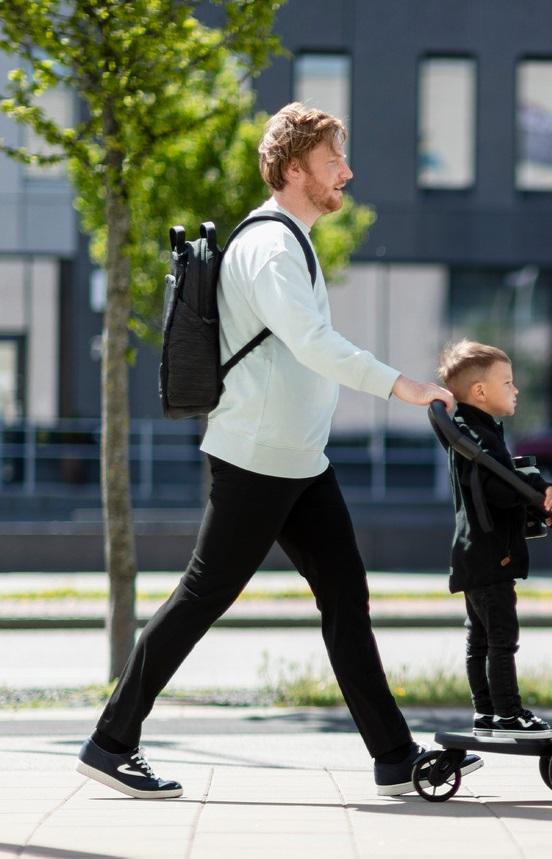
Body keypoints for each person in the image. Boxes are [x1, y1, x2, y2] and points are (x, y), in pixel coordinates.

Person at [76, 103, 482, 800]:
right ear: (294, 170)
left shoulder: (292, 238)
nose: (346, 174)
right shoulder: (268, 247)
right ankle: (111, 741)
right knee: (204, 595)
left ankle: (393, 755)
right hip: (259, 457)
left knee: (345, 598)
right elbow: (312, 344)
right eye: (332, 163)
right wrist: (403, 387)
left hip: (298, 459)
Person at [436, 340, 552, 738]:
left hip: (474, 552)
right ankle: (508, 714)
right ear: (480, 392)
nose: (516, 389)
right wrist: (536, 496)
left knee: (480, 639)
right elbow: (497, 489)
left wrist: (536, 484)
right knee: (501, 638)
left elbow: (503, 477)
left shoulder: (474, 433)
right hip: (492, 555)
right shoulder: (479, 438)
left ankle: (487, 713)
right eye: (507, 382)